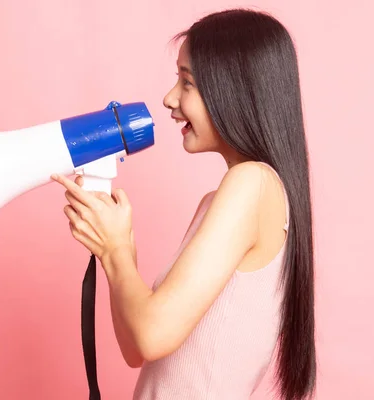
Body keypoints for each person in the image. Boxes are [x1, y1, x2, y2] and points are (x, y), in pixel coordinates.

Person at [51, 8, 316, 400]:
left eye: (186, 82)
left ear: (233, 89)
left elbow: (150, 335)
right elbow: (135, 349)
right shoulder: (220, 200)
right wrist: (113, 251)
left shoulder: (253, 184)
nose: (169, 98)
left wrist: (117, 250)